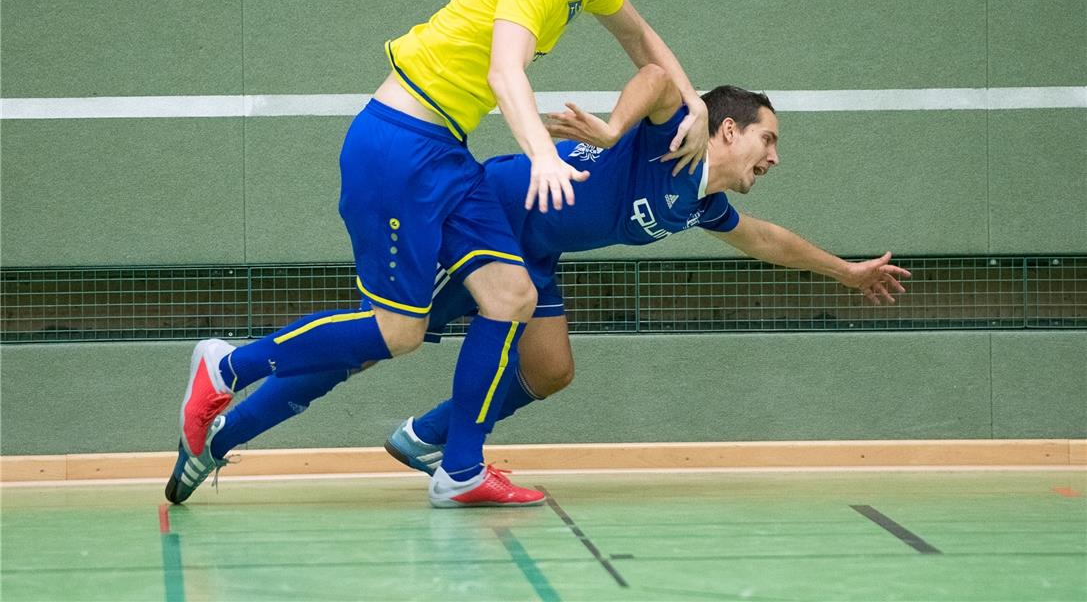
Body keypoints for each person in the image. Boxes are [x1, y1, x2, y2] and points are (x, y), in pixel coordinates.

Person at [168, 0, 709, 509]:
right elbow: (506, 72)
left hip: (443, 151)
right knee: (398, 333)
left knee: (511, 294)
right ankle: (228, 368)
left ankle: (459, 470)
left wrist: (695, 101)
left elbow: (643, 41)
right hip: (397, 145)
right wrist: (542, 154)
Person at [166, 65, 910, 500]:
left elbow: (764, 240)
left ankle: (426, 440)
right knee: (378, 343)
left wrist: (844, 271)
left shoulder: (703, 199)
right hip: (485, 212)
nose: (773, 156)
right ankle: (227, 414)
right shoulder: (676, 133)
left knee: (549, 368)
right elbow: (653, 75)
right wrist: (617, 128)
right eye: (767, 138)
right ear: (725, 129)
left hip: (534, 250)